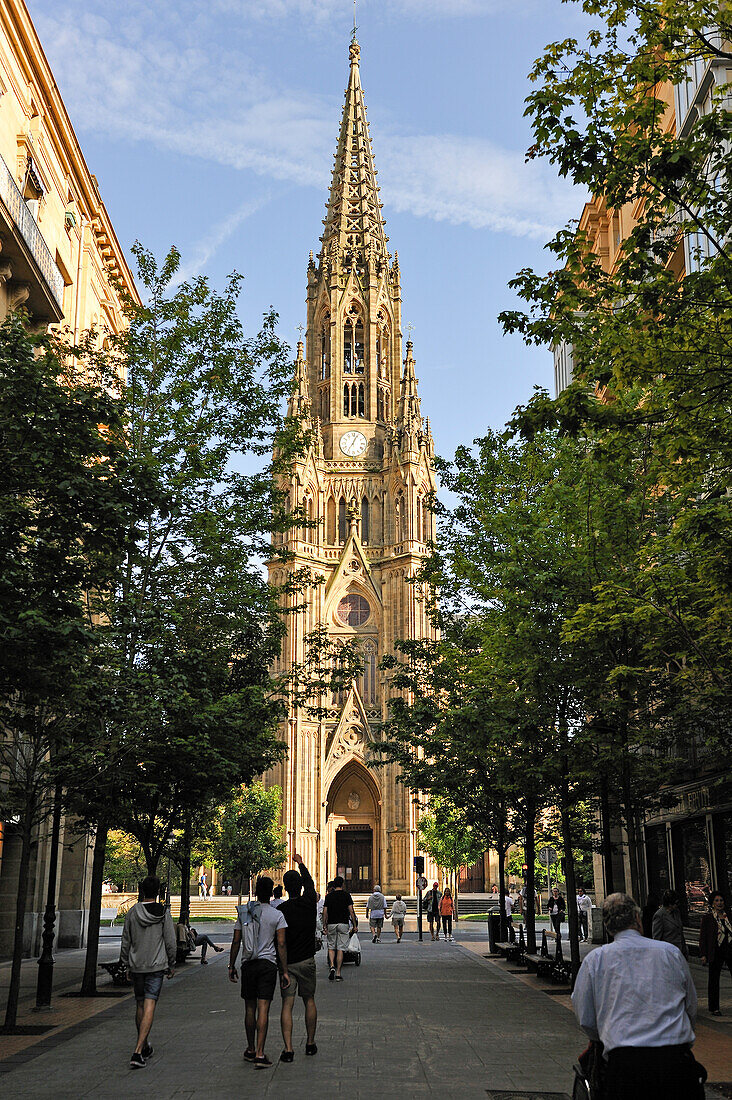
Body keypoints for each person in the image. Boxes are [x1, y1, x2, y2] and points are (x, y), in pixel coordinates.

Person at [572, 892, 702, 1099]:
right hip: (675, 1060)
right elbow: (690, 1006)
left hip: (625, 1063)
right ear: (638, 919)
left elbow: (586, 1018)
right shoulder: (670, 953)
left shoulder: (595, 960)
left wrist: (605, 1036)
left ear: (607, 926)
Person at [229, 876, 289, 1069]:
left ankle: (250, 1048)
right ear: (271, 893)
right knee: (264, 1009)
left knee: (249, 1008)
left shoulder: (245, 912)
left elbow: (236, 941)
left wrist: (231, 965)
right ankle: (260, 1054)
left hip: (248, 964)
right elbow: (281, 944)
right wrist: (285, 971)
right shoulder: (276, 915)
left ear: (255, 891)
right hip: (267, 965)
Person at [120, 875, 177, 1069]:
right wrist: (172, 962)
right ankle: (137, 1051)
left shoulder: (132, 912)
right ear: (158, 892)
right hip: (155, 965)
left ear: (142, 891)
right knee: (150, 1003)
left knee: (139, 1003)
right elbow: (170, 941)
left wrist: (125, 963)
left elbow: (125, 940)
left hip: (137, 965)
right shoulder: (163, 913)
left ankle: (144, 1045)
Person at [699, 890, 732, 1016]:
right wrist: (703, 954)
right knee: (714, 979)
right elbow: (703, 937)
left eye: (721, 900)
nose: (719, 903)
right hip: (716, 951)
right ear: (712, 903)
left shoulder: (729, 916)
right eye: (717, 901)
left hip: (729, 949)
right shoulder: (708, 918)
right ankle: (714, 1008)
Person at [322, 876, 357, 982]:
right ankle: (338, 973)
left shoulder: (329, 896)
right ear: (342, 884)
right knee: (341, 948)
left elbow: (325, 912)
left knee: (331, 947)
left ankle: (332, 966)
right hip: (343, 923)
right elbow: (351, 911)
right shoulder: (346, 895)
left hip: (332, 924)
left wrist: (324, 925)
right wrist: (355, 925)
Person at [652, 890, 688, 958]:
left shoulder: (676, 912)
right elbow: (656, 938)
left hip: (679, 952)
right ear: (669, 904)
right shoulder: (659, 915)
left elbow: (680, 932)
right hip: (668, 953)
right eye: (675, 903)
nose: (676, 905)